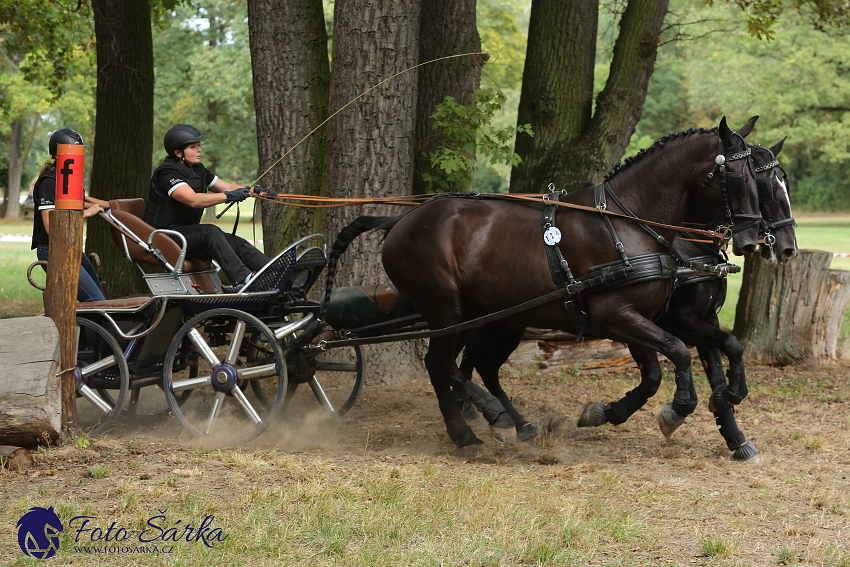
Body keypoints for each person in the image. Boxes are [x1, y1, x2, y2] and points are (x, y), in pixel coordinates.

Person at [144, 124, 271, 286]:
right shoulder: (167, 174)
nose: (199, 150)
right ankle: (245, 279)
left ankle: (275, 272)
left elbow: (227, 187)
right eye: (192, 146)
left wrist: (253, 190)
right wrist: (228, 197)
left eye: (198, 145)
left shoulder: (199, 170)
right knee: (210, 231)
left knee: (232, 241)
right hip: (164, 237)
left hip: (186, 237)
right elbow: (193, 200)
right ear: (178, 152)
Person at [31, 128, 109, 303]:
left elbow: (82, 200)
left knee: (103, 300)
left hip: (71, 247)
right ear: (58, 154)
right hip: (53, 250)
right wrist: (88, 213)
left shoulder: (67, 179)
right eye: (73, 153)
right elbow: (52, 227)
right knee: (96, 302)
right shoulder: (50, 182)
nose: (77, 158)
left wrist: (114, 205)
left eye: (79, 153)